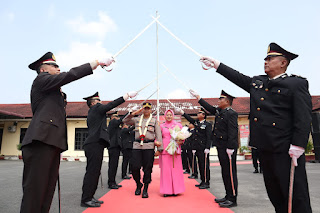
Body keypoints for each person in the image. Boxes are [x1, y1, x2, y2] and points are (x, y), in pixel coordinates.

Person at [200, 42, 312, 212]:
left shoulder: (296, 84)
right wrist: (216, 64)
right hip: (265, 148)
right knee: (275, 193)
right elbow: (237, 77)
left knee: (295, 195)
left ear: (283, 63)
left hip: (285, 150)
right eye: (265, 59)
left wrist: (298, 145)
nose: (266, 61)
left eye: (270, 58)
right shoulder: (259, 82)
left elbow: (303, 117)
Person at [20, 52, 113, 212]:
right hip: (40, 141)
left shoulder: (52, 90)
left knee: (47, 191)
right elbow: (69, 75)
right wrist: (96, 63)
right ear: (42, 70)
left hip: (51, 141)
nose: (58, 68)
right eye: (54, 66)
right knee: (35, 193)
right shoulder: (41, 80)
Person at [81, 91, 136, 207]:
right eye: (98, 101)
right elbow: (111, 105)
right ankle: (86, 198)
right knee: (92, 172)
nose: (101, 103)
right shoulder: (95, 109)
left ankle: (90, 196)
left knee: (95, 172)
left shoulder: (95, 111)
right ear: (93, 103)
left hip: (96, 144)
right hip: (94, 144)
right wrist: (126, 96)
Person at [190, 89, 239, 208]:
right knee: (225, 172)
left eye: (220, 99)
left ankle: (233, 198)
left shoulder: (231, 113)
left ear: (227, 101)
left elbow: (233, 131)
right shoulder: (220, 112)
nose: (218, 101)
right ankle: (228, 195)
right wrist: (198, 98)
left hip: (228, 148)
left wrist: (231, 147)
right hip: (221, 146)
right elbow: (210, 108)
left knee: (230, 173)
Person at [123, 102, 163, 198]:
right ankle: (138, 184)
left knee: (147, 169)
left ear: (150, 110)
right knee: (135, 167)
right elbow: (124, 120)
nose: (146, 110)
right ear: (142, 109)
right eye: (144, 108)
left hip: (149, 147)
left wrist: (159, 149)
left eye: (148, 108)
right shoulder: (136, 120)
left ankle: (145, 188)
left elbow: (159, 135)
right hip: (137, 146)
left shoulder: (154, 121)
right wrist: (134, 112)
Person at [175, 107, 212, 189]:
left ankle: (206, 182)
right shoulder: (197, 123)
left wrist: (207, 148)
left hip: (203, 148)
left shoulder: (207, 124)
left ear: (203, 115)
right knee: (200, 165)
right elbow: (190, 119)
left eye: (199, 113)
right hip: (197, 148)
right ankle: (202, 181)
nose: (197, 114)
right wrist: (183, 113)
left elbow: (209, 137)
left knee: (205, 165)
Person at [159, 109, 185, 197]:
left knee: (176, 171)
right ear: (165, 116)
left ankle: (176, 190)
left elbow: (182, 136)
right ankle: (166, 191)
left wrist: (181, 141)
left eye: (170, 115)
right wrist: (157, 144)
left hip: (175, 151)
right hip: (165, 150)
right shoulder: (162, 126)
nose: (169, 116)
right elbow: (158, 137)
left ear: (173, 116)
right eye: (167, 115)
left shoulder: (178, 125)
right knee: (165, 171)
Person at [107, 111, 130, 189]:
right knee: (112, 165)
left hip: (116, 147)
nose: (117, 118)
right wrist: (129, 112)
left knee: (114, 165)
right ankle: (111, 183)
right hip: (113, 147)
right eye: (116, 117)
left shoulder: (116, 127)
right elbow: (121, 119)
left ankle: (113, 181)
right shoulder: (112, 123)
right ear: (112, 118)